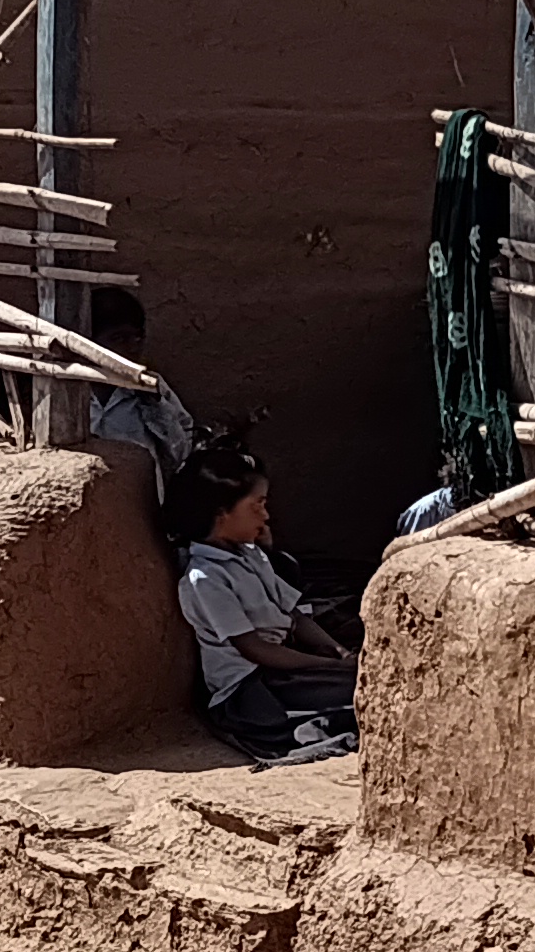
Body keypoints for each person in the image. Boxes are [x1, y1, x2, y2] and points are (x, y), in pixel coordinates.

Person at [163, 447, 357, 764]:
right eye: (258, 506)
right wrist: (331, 666)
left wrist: (339, 652)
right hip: (254, 689)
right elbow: (257, 650)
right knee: (357, 701)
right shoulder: (206, 579)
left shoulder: (251, 555)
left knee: (365, 681)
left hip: (284, 670)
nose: (266, 516)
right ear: (221, 513)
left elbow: (294, 616)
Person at [80, 287, 201, 477]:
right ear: (89, 342)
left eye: (137, 338)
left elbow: (180, 452)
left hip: (141, 497)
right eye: (118, 339)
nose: (132, 348)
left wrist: (156, 405)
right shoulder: (69, 390)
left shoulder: (152, 388)